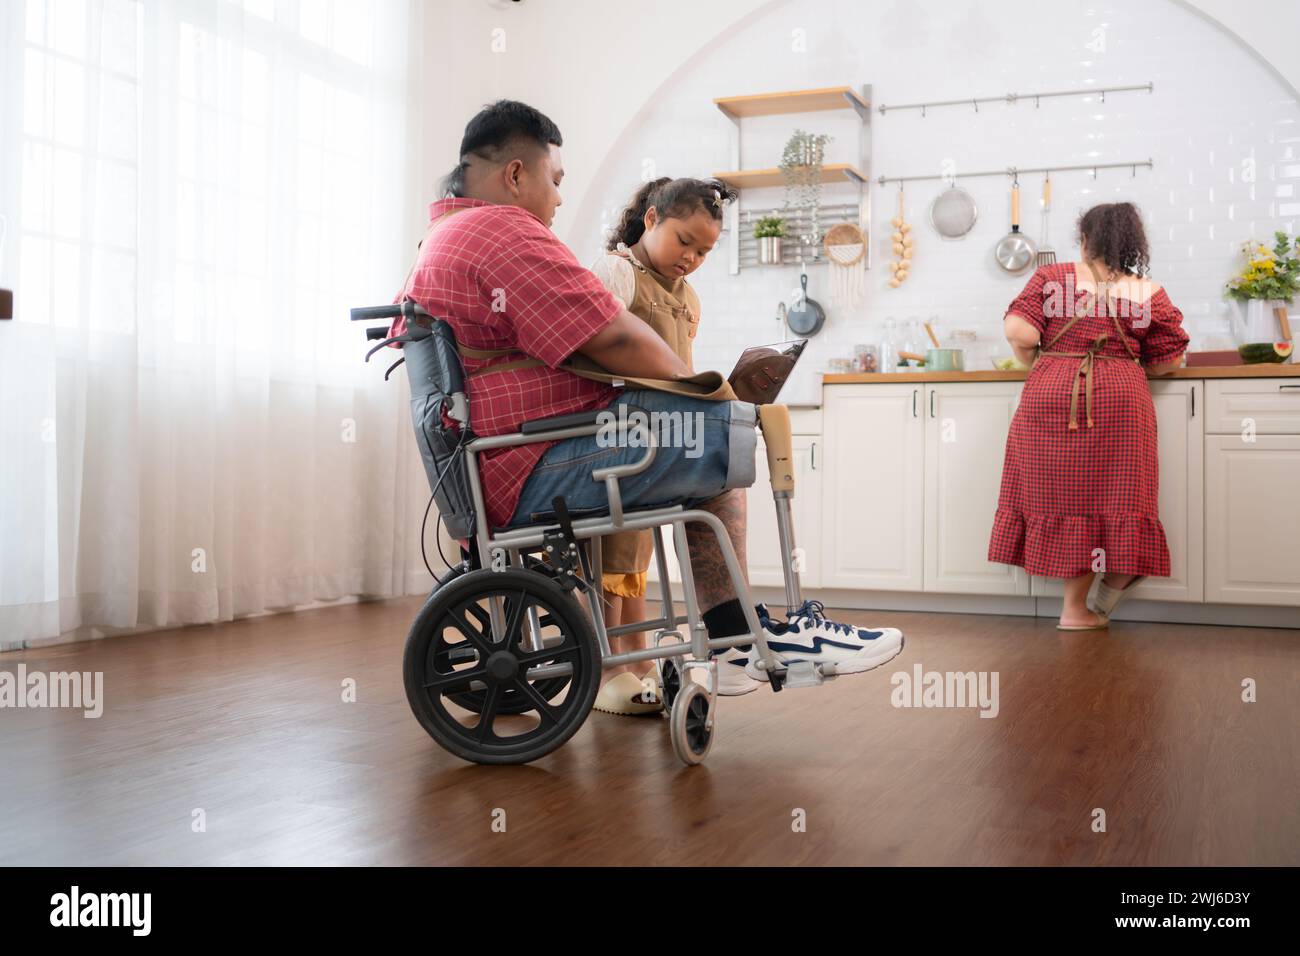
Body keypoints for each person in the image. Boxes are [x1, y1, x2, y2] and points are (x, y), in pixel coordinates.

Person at [390, 100, 904, 698]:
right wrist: (709, 396)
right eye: (555, 182)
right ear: (515, 175)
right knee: (722, 434)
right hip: (530, 461)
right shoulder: (502, 231)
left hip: (508, 457)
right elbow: (609, 333)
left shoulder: (446, 233)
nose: (558, 200)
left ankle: (731, 635)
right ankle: (739, 638)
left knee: (714, 429)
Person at [988, 202, 1189, 629]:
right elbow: (1170, 359)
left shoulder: (1052, 276)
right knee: (1117, 496)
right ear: (1131, 244)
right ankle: (1102, 592)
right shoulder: (1146, 290)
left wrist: (1032, 357)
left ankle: (1075, 607)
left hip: (1052, 391)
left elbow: (1018, 331)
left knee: (1063, 495)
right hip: (1120, 399)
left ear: (1085, 239)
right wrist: (1127, 363)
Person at [584, 176, 739, 715]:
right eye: (684, 241)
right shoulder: (617, 272)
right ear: (650, 219)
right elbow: (596, 350)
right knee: (613, 548)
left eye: (705, 250)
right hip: (615, 434)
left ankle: (635, 653)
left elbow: (681, 369)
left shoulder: (687, 297)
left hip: (655, 437)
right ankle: (610, 666)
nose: (692, 258)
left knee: (637, 550)